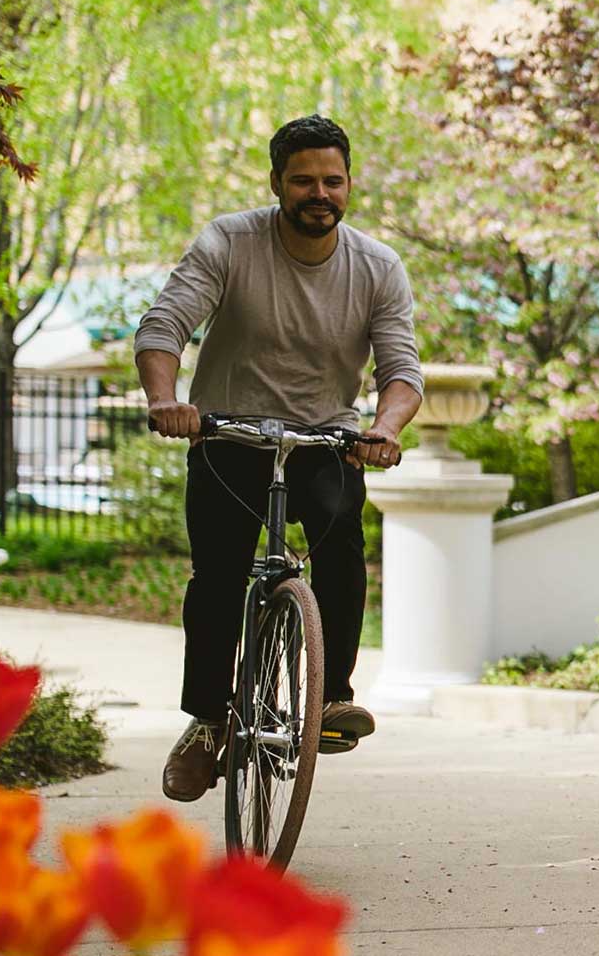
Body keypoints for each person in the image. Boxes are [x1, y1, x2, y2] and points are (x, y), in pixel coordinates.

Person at [134, 113, 423, 803]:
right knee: (218, 577)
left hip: (325, 439)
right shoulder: (230, 243)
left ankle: (330, 700)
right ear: (276, 184)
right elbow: (164, 325)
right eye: (303, 181)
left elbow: (402, 370)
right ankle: (206, 723)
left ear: (349, 185)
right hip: (228, 435)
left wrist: (383, 428)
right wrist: (166, 400)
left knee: (341, 541)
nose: (318, 193)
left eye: (332, 180)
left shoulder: (377, 266)